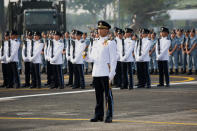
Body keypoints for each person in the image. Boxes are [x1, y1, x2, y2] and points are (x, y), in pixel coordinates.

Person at [85, 20, 117, 123]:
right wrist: (85, 57)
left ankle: (109, 115)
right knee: (98, 96)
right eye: (98, 29)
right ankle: (98, 115)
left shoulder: (110, 42)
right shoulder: (94, 42)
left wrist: (112, 73)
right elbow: (92, 58)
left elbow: (113, 59)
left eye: (102, 29)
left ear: (107, 30)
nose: (99, 30)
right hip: (96, 72)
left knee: (108, 96)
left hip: (106, 73)